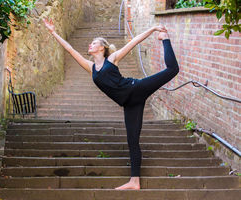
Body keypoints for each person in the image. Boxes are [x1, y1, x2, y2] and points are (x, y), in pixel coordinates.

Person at [43, 18, 179, 190]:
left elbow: (135, 41)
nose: (90, 45)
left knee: (172, 70)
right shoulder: (91, 67)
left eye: (94, 43)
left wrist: (153, 29)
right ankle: (134, 182)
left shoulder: (112, 58)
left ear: (102, 47)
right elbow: (70, 50)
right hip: (129, 104)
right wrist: (53, 32)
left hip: (136, 89)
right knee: (132, 141)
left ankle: (165, 38)